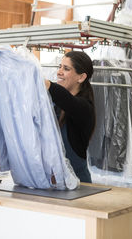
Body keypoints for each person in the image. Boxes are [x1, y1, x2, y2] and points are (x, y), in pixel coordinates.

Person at [45, 51, 96, 183]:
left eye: (66, 69)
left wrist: (47, 84)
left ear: (81, 77)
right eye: (60, 67)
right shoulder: (55, 105)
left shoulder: (84, 108)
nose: (59, 72)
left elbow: (69, 102)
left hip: (79, 186)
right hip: (54, 186)